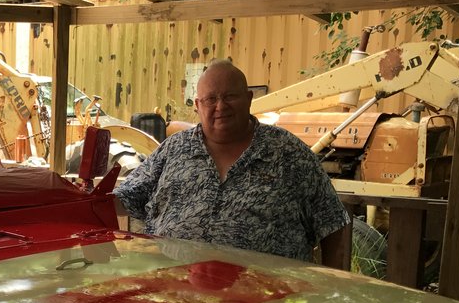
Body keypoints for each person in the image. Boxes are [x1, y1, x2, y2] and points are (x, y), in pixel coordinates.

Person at [114, 60, 350, 263]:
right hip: (176, 296)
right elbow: (127, 196)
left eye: (230, 96)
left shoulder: (288, 153)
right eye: (211, 99)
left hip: (266, 302)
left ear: (248, 99)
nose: (220, 106)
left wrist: (334, 290)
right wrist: (83, 198)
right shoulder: (174, 149)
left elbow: (333, 222)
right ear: (197, 106)